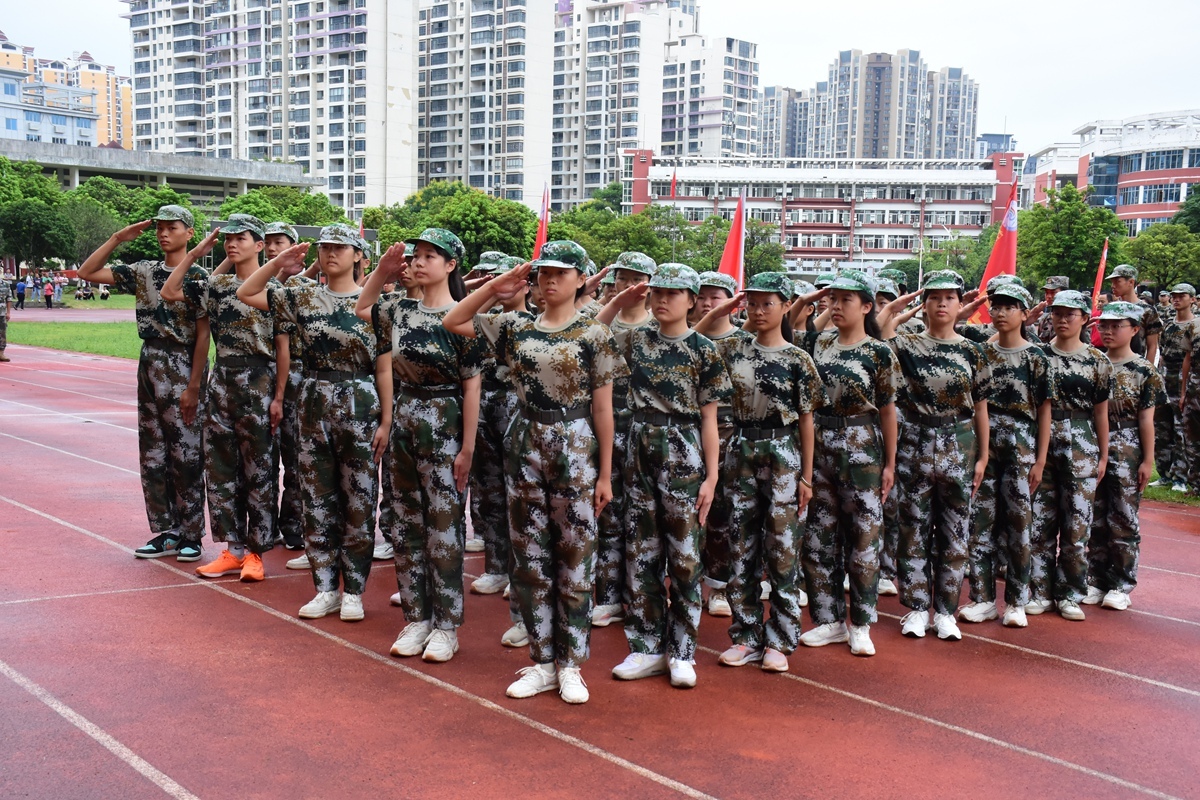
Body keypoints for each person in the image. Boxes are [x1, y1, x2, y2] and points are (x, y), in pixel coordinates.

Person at [444, 240, 622, 705]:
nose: (550, 280)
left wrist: (605, 474)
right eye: (543, 272)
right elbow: (454, 321)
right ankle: (543, 661)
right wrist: (493, 288)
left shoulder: (593, 334)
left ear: (581, 278)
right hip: (526, 442)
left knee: (575, 558)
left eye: (561, 273)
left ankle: (572, 665)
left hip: (576, 442)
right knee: (531, 559)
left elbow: (604, 409)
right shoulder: (515, 329)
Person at [237, 223, 390, 622]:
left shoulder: (375, 303)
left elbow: (384, 367)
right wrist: (277, 263)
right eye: (324, 247)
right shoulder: (303, 296)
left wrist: (387, 420)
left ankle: (354, 589)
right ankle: (325, 587)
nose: (330, 254)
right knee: (317, 499)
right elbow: (246, 293)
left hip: (360, 402)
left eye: (340, 247)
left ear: (359, 254)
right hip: (313, 401)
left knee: (358, 499)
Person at [598, 264, 730, 689]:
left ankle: (683, 652)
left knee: (685, 557)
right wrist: (619, 301)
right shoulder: (636, 340)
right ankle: (646, 646)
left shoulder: (703, 350)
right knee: (642, 553)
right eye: (656, 292)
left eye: (673, 293)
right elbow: (590, 335)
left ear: (691, 300)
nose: (661, 299)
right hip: (640, 444)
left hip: (684, 447)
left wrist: (710, 478)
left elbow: (710, 420)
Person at [355, 228, 482, 663]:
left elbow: (471, 389)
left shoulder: (461, 318)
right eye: (417, 255)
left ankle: (447, 626)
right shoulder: (399, 309)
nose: (420, 261)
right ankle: (417, 616)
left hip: (444, 419)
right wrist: (382, 269)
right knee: (407, 524)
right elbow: (362, 307)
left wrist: (467, 449)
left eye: (432, 256)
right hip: (407, 419)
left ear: (451, 265)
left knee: (444, 528)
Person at [696, 272, 824, 673]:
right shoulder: (733, 347)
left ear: (787, 305)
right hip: (742, 449)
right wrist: (725, 308)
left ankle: (781, 641)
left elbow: (807, 420)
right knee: (741, 546)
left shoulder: (798, 358)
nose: (758, 310)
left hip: (783, 452)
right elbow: (695, 337)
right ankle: (746, 634)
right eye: (751, 303)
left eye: (767, 303)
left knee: (783, 549)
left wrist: (806, 476)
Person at [78, 206, 211, 562]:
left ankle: (191, 534)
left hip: (182, 363)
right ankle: (167, 530)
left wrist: (194, 386)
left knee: (186, 452)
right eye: (160, 228)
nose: (164, 234)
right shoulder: (144, 271)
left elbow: (202, 337)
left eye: (173, 228)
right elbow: (87, 272)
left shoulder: (199, 278)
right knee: (153, 452)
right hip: (149, 361)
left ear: (189, 233)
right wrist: (118, 238)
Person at [162, 214, 286, 584]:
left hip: (260, 380)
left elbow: (283, 347)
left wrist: (279, 396)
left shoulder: (275, 289)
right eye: (228, 238)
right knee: (220, 470)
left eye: (241, 238)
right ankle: (232, 549)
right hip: (223, 380)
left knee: (259, 470)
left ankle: (256, 552)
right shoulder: (217, 286)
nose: (232, 243)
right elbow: (170, 290)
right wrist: (199, 252)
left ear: (260, 245)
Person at [882, 270, 990, 642]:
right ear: (924, 303)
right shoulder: (908, 346)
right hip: (915, 440)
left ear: (960, 304)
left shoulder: (972, 351)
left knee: (955, 531)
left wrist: (983, 456)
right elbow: (880, 329)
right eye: (934, 297)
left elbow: (981, 408)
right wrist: (901, 305)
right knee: (912, 529)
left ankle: (945, 610)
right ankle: (915, 607)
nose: (942, 304)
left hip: (959, 443)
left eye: (949, 297)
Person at [800, 269, 899, 658]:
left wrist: (890, 464)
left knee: (863, 538)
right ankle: (827, 620)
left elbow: (889, 411)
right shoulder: (820, 343)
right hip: (821, 444)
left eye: (845, 300)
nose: (835, 306)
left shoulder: (879, 352)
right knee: (819, 537)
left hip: (862, 448)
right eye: (833, 299)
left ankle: (860, 622)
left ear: (866, 306)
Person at [960, 283, 1051, 629]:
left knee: (1019, 525)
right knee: (980, 524)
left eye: (1009, 307)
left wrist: (1040, 460)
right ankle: (982, 598)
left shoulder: (1036, 357)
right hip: (984, 445)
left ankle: (1016, 600)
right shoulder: (981, 352)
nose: (1000, 312)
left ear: (1024, 314)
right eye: (995, 306)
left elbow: (1045, 411)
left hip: (1021, 445)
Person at [1028, 290, 1111, 621]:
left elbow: (1102, 413)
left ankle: (1070, 593)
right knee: (1041, 524)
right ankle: (1040, 590)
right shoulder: (1038, 356)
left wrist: (1103, 456)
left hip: (1081, 445)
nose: (1062, 319)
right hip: (1042, 445)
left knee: (1077, 525)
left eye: (1070, 314)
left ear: (1085, 319)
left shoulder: (1097, 361)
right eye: (1057, 313)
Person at [592, 251, 658, 629]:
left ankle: (640, 596)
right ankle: (610, 595)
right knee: (608, 514)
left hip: (642, 430)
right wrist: (612, 305)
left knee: (643, 518)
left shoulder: (656, 327)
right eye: (622, 277)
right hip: (604, 425)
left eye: (636, 278)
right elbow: (583, 336)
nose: (627, 284)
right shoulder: (603, 322)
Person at [1086, 302, 1165, 611]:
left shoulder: (1144, 370)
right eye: (1103, 326)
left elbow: (1147, 420)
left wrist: (1147, 460)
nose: (1107, 331)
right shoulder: (1093, 363)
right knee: (1094, 516)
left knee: (1123, 517)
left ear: (1134, 330)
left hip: (1128, 444)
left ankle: (1120, 583)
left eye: (1115, 326)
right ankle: (1095, 578)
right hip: (1094, 443)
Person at [468, 255, 532, 603]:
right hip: (485, 404)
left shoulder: (533, 322)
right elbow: (457, 316)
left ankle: (518, 570)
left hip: (515, 407)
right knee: (489, 489)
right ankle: (494, 566)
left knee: (518, 495)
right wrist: (490, 292)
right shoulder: (485, 321)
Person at [693, 271, 741, 617]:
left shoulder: (744, 342)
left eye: (717, 297)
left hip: (729, 432)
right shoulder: (684, 340)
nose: (709, 304)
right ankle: (688, 582)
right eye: (703, 296)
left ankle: (719, 585)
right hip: (685, 432)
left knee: (722, 511)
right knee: (686, 513)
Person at [260, 221, 306, 552]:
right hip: (255, 379)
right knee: (261, 461)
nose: (273, 248)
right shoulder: (254, 285)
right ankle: (262, 526)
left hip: (295, 382)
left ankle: (292, 522)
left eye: (280, 242)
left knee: (296, 457)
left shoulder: (304, 288)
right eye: (269, 243)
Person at [1152, 284, 1197, 492]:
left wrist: (1184, 389)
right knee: (1162, 427)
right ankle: (1165, 473)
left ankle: (1181, 476)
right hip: (1166, 375)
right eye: (1174, 296)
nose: (1177, 299)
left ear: (1192, 299)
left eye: (1182, 296)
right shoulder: (1169, 325)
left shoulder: (1195, 325)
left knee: (1181, 430)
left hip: (1182, 375)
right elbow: (1162, 353)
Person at [1106, 265, 1161, 362]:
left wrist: (1148, 371)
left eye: (1117, 281)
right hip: (1111, 363)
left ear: (1131, 282)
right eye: (1112, 282)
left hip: (1135, 365)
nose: (1113, 286)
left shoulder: (1147, 310)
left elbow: (1152, 346)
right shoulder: (1111, 308)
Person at [0, 276, 10, 362]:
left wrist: (8, 312)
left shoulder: (6, 284)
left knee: (2, 333)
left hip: (2, 312)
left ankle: (1, 353)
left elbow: (9, 299)